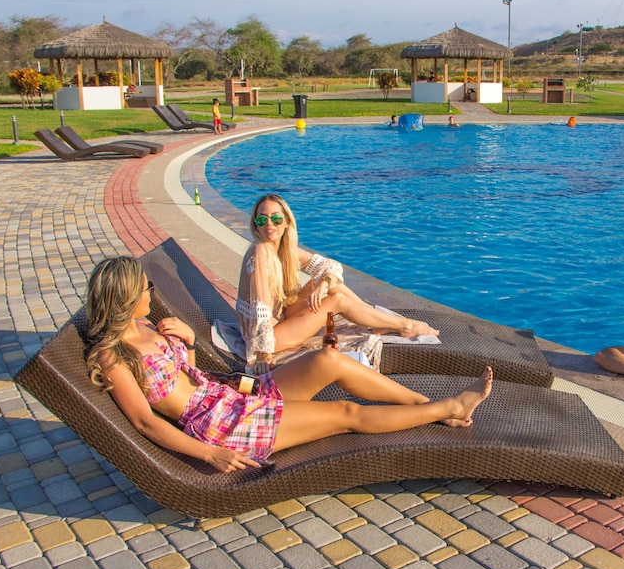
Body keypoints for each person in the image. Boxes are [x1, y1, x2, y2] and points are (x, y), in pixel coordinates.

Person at [84, 256, 492, 472]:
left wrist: (188, 343)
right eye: (146, 288)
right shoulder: (113, 356)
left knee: (328, 359)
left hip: (231, 394)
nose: (151, 294)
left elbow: (190, 376)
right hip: (223, 425)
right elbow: (145, 422)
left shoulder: (148, 326)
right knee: (344, 414)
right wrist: (209, 455)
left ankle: (424, 405)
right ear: (126, 298)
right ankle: (448, 407)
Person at [237, 194, 440, 373]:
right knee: (338, 300)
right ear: (256, 225)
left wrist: (323, 284)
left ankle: (373, 319)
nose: (269, 224)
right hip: (270, 337)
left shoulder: (285, 251)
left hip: (282, 318)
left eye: (276, 218)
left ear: (287, 222)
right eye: (262, 219)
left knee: (329, 284)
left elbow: (328, 265)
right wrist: (262, 353)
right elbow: (260, 307)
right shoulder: (260, 251)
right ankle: (404, 325)